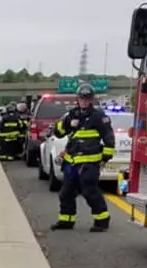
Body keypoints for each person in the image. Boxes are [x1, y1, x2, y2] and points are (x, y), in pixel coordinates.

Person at [50, 84, 114, 232]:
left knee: (89, 191)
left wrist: (105, 157)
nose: (84, 101)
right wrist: (67, 123)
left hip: (89, 162)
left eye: (87, 98)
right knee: (66, 192)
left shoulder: (99, 116)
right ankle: (66, 220)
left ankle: (102, 221)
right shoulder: (71, 115)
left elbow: (109, 137)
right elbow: (58, 132)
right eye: (81, 98)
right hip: (71, 162)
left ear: (91, 99)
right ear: (77, 99)